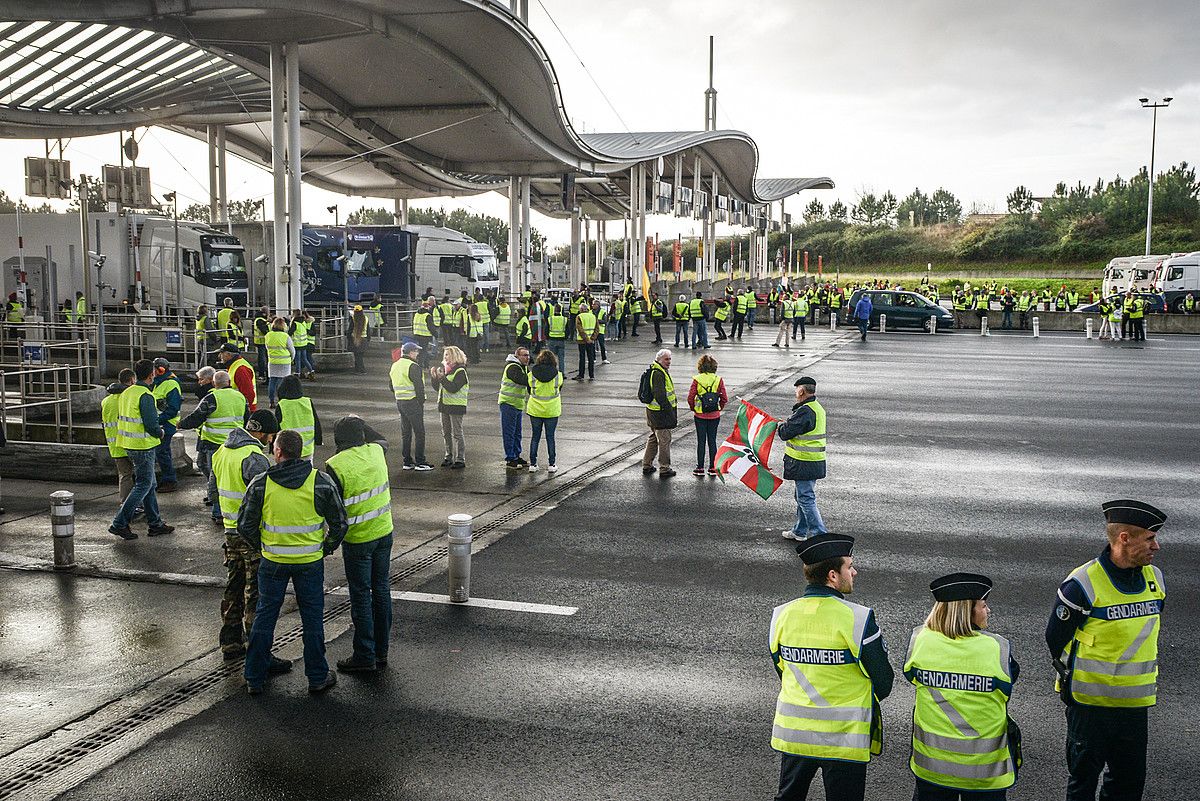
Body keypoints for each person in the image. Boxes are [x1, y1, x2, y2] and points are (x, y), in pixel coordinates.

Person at [1046, 499, 1166, 801]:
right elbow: (1054, 638)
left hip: (1134, 707)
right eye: (1149, 538)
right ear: (1124, 539)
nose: (1157, 546)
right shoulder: (1082, 584)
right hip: (1090, 706)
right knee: (1083, 783)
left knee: (1128, 785)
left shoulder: (1156, 579)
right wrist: (1072, 680)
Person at [770, 533, 892, 801]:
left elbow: (782, 669)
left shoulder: (781, 615)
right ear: (833, 576)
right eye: (850, 566)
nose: (855, 572)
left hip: (796, 735)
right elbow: (884, 682)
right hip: (843, 739)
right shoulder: (859, 619)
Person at [238, 429, 347, 695]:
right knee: (312, 619)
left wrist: (262, 547)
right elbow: (340, 523)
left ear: (278, 452)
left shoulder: (261, 483)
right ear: (299, 452)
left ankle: (254, 676)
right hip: (309, 562)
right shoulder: (319, 481)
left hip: (273, 561)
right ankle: (317, 676)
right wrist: (325, 548)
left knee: (265, 616)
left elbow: (244, 525)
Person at [905, 574, 1019, 800]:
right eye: (984, 605)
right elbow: (1008, 685)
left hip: (932, 767)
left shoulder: (920, 640)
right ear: (968, 612)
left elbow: (910, 675)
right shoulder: (996, 648)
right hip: (984, 772)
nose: (988, 611)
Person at [211, 409, 289, 668]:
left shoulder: (222, 451)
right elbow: (268, 497)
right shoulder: (254, 457)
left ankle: (230, 643)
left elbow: (213, 491)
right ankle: (259, 655)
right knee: (255, 592)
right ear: (263, 432)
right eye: (271, 436)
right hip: (252, 534)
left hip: (230, 532)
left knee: (233, 587)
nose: (270, 441)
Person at [324, 415, 393, 672]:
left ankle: (364, 655)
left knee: (361, 596)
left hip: (357, 540)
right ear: (362, 434)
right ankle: (381, 651)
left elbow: (335, 511)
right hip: (384, 533)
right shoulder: (376, 451)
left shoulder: (335, 465)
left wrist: (330, 542)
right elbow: (379, 438)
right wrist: (361, 424)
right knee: (381, 590)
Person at [108, 359, 175, 540]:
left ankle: (155, 524)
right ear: (151, 375)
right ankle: (119, 523)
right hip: (143, 446)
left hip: (128, 444)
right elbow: (151, 424)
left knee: (149, 485)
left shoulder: (127, 392)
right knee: (144, 485)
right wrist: (160, 432)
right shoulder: (146, 395)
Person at [179, 368, 248, 525]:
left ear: (215, 384)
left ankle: (218, 511)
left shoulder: (211, 398)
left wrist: (180, 424)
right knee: (213, 472)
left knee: (216, 477)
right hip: (234, 441)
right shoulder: (240, 397)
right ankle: (216, 503)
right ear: (229, 383)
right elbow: (246, 418)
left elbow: (196, 417)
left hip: (214, 443)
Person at [779, 376, 827, 542]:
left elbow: (785, 433)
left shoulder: (805, 410)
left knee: (805, 499)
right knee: (803, 497)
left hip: (803, 461)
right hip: (814, 461)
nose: (795, 392)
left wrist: (781, 426)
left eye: (796, 389)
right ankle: (800, 531)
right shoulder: (816, 407)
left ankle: (819, 535)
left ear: (801, 391)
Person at [389, 341, 432, 470]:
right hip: (412, 402)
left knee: (406, 433)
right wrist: (421, 401)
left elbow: (391, 386)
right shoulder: (413, 366)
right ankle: (420, 461)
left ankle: (407, 461)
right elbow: (419, 388)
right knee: (419, 432)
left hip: (400, 402)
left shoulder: (395, 365)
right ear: (411, 352)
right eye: (416, 351)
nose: (417, 353)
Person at [687, 354, 726, 477]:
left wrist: (694, 408)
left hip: (700, 415)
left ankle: (699, 467)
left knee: (701, 441)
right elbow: (724, 397)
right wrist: (720, 407)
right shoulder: (718, 379)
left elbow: (690, 397)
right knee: (712, 441)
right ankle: (712, 467)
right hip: (714, 415)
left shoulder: (697, 379)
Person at [430, 345, 469, 468]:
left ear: (455, 356)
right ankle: (448, 456)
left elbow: (453, 388)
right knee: (446, 432)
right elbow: (439, 388)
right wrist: (435, 378)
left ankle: (460, 459)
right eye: (444, 355)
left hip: (456, 406)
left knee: (457, 433)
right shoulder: (447, 370)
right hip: (444, 406)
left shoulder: (460, 371)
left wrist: (442, 378)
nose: (445, 357)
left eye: (447, 354)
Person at [102, 369, 137, 506]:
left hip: (115, 446)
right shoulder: (129, 399)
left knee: (125, 476)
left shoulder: (106, 401)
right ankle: (137, 506)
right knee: (144, 479)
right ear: (132, 381)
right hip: (132, 444)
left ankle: (125, 504)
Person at [641, 349, 677, 478]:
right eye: (666, 359)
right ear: (659, 359)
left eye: (670, 359)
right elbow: (660, 395)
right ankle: (664, 468)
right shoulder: (658, 373)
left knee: (653, 438)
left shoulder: (657, 370)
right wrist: (669, 412)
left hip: (653, 411)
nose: (669, 362)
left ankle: (647, 464)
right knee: (664, 440)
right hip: (660, 414)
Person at [527, 349, 563, 473]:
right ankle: (552, 464)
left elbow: (529, 390)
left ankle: (533, 464)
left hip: (535, 410)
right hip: (552, 410)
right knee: (550, 437)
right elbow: (559, 389)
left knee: (535, 437)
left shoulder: (531, 374)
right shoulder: (558, 375)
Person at [151, 358, 183, 493]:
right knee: (164, 452)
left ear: (160, 370)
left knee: (161, 452)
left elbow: (173, 408)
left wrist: (158, 420)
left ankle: (170, 480)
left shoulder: (170, 384)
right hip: (163, 422)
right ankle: (168, 479)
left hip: (167, 423)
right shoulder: (159, 382)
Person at [274, 374, 322, 461]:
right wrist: (318, 440)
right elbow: (316, 422)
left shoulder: (282, 405)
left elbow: (276, 427)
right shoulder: (307, 402)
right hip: (307, 448)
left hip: (287, 451)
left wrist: (273, 446)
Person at [499, 346, 531, 469]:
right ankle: (510, 458)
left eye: (528, 355)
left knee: (517, 433)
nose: (527, 357)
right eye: (524, 355)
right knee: (509, 432)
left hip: (517, 404)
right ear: (517, 356)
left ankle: (516, 455)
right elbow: (522, 380)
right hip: (508, 403)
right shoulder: (512, 367)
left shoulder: (524, 368)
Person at [262, 317, 295, 406]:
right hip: (284, 362)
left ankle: (271, 401)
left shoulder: (268, 335)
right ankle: (281, 400)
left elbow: (267, 347)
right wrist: (291, 359)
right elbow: (292, 350)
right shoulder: (285, 336)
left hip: (272, 362)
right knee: (282, 383)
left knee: (272, 382)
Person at [572, 299, 598, 381]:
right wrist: (592, 338)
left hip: (582, 341)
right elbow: (597, 329)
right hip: (591, 341)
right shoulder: (593, 316)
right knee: (591, 358)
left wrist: (586, 339)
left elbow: (580, 330)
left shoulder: (579, 317)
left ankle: (581, 374)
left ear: (582, 310)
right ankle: (591, 375)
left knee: (582, 358)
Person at [546, 301, 568, 373]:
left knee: (551, 358)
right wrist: (565, 337)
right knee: (561, 358)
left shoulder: (550, 319)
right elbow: (568, 330)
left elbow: (546, 329)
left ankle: (552, 372)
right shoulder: (564, 319)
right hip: (561, 340)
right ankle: (562, 373)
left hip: (552, 340)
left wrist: (547, 337)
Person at [349, 305, 369, 373]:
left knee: (357, 356)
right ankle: (358, 369)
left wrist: (349, 338)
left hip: (355, 339)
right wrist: (368, 339)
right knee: (360, 356)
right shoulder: (366, 318)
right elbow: (368, 330)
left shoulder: (353, 318)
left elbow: (350, 330)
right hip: (364, 339)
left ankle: (361, 370)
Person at [252, 306, 270, 376]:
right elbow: (264, 331)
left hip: (261, 341)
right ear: (265, 313)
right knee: (263, 359)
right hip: (262, 342)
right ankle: (262, 373)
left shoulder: (259, 319)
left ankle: (262, 373)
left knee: (262, 358)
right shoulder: (260, 320)